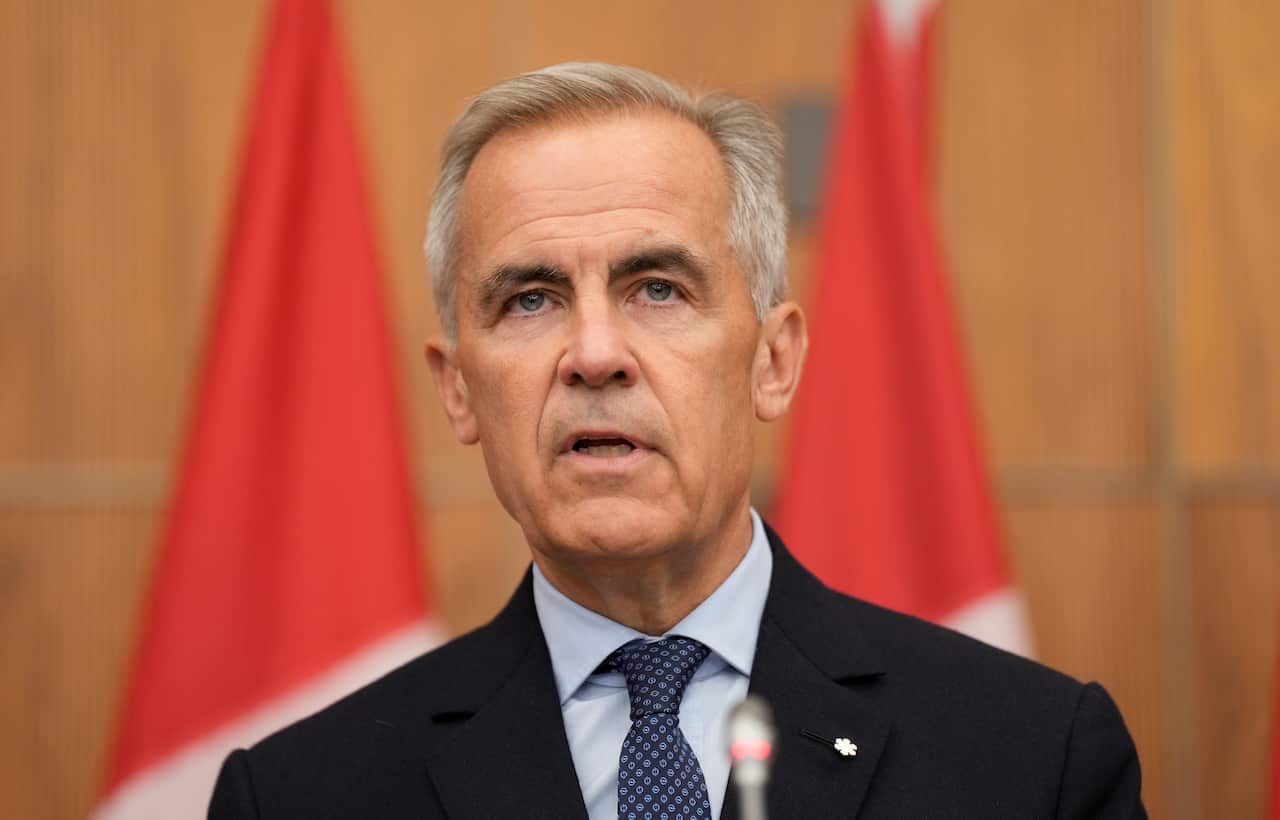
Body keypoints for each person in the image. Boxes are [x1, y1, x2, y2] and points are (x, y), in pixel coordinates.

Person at [209, 62, 1146, 819]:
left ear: (772, 362)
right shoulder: (301, 794)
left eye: (657, 288)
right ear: (459, 391)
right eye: (529, 300)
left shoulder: (1032, 759)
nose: (595, 354)